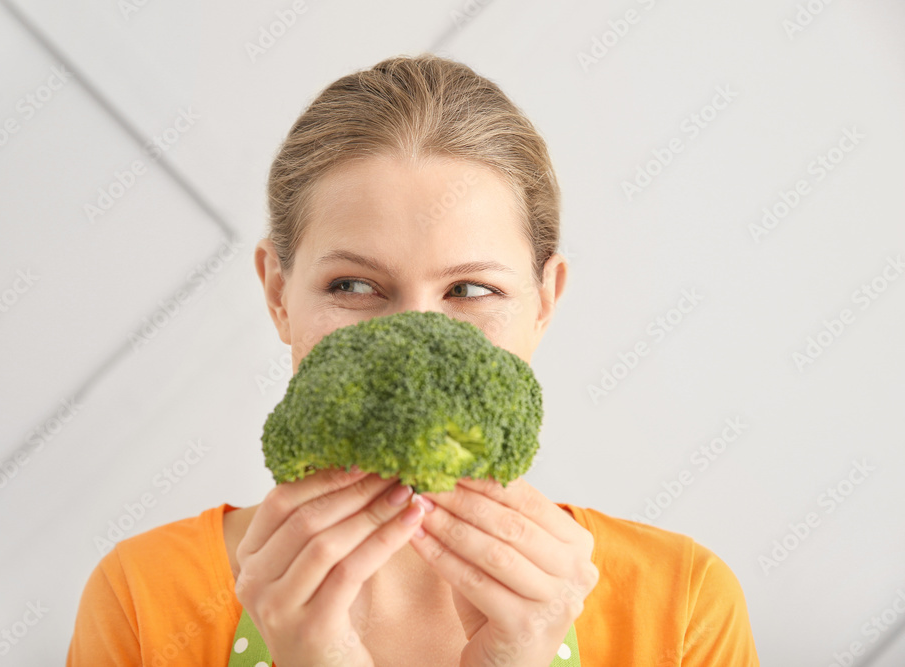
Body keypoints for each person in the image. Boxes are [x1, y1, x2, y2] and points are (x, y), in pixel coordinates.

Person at [66, 53, 759, 666]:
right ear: (278, 293)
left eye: (470, 289)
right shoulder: (145, 597)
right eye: (355, 286)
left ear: (545, 301)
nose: (411, 341)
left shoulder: (684, 608)